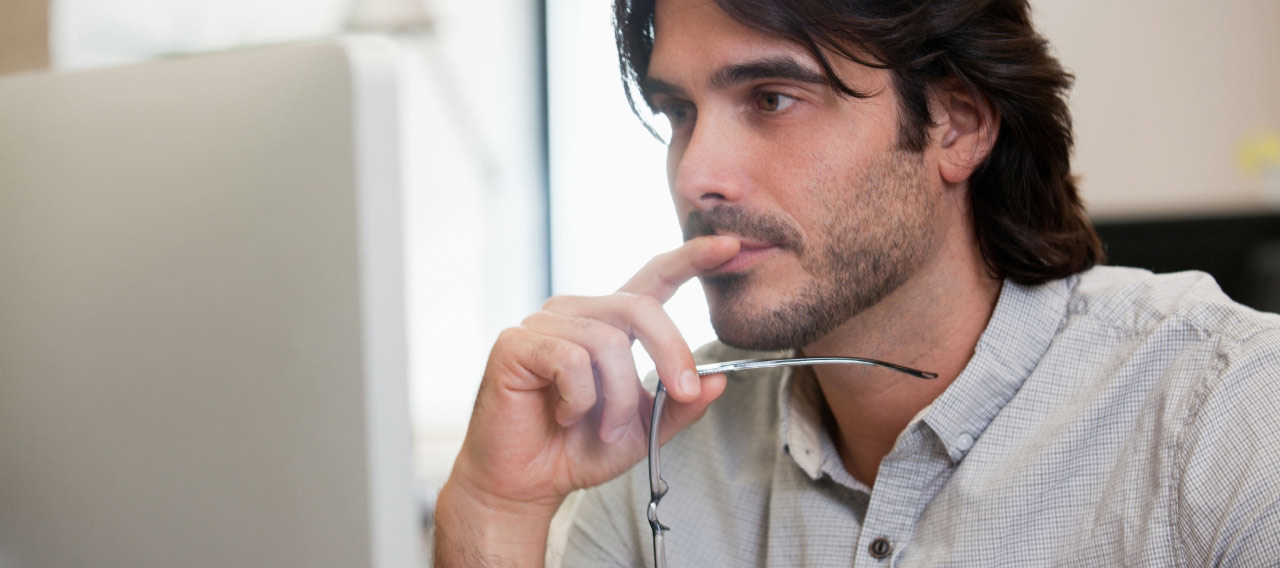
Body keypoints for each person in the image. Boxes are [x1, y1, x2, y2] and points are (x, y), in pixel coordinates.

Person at [433, 0, 1280, 565]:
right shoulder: (660, 443)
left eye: (770, 98)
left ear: (956, 125)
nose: (697, 174)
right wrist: (496, 505)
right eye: (679, 113)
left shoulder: (1225, 413)